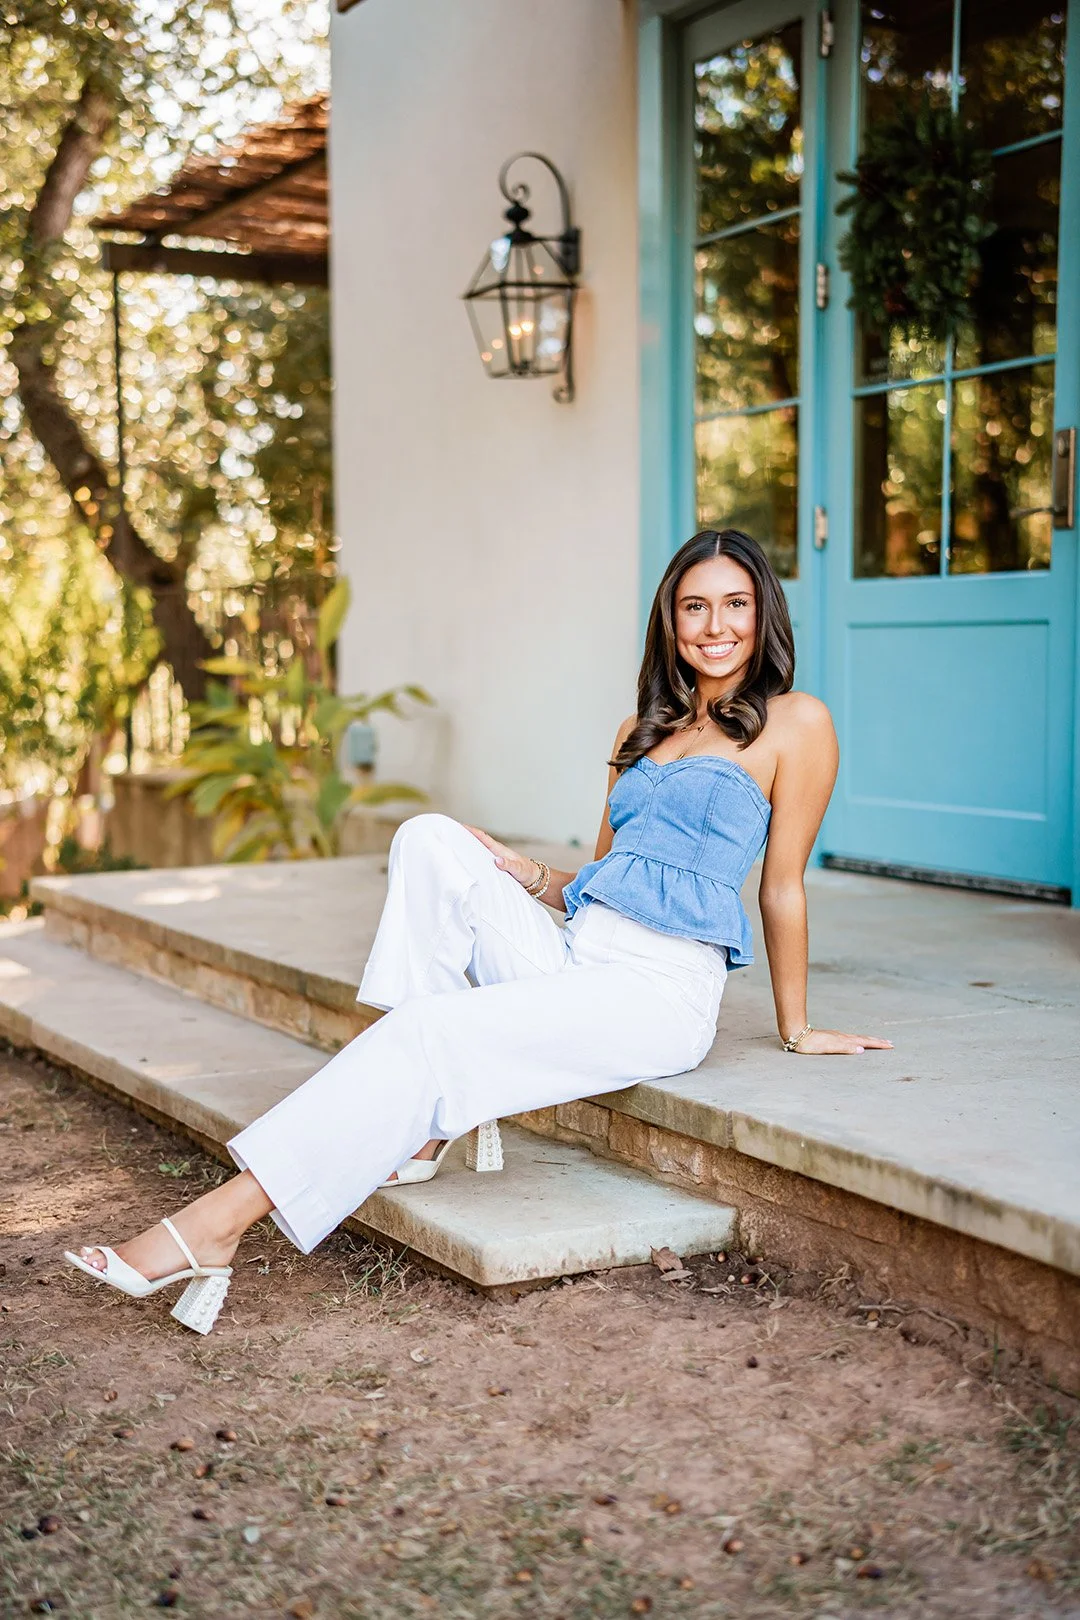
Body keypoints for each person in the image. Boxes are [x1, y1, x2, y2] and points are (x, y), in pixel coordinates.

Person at [65, 529, 892, 1332]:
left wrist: (797, 1026)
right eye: (695, 608)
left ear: (764, 612)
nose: (717, 627)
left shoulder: (796, 723)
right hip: (577, 951)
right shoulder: (640, 732)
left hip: (658, 990)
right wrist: (523, 872)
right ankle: (430, 1120)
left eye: (735, 604)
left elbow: (782, 888)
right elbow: (596, 885)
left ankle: (217, 1223)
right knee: (430, 837)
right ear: (669, 623)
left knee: (428, 1031)